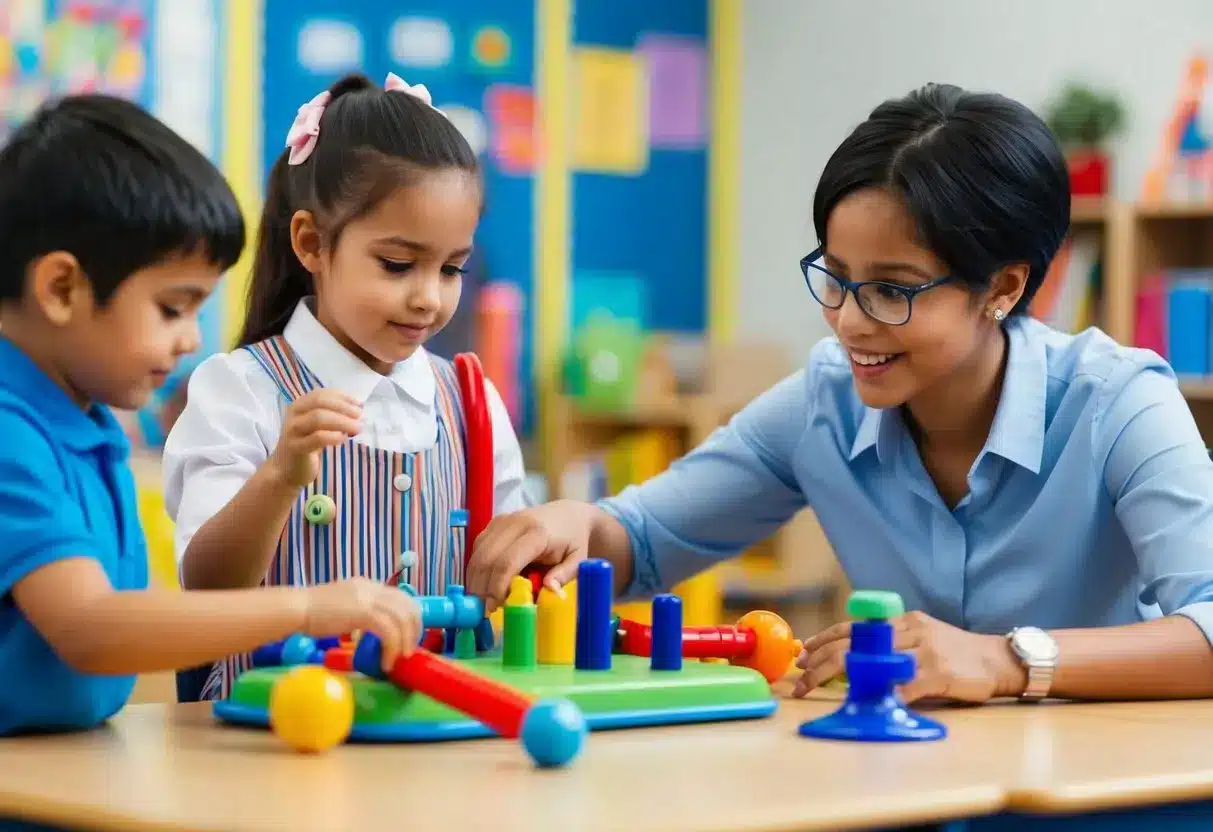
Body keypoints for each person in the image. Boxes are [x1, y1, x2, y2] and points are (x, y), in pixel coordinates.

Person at [467, 83, 1213, 705]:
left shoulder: (1116, 403)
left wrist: (1003, 661)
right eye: (837, 277)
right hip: (917, 780)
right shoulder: (823, 402)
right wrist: (573, 524)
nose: (849, 321)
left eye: (891, 289)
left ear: (1003, 287)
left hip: (1110, 789)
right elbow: (643, 541)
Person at [0, 94, 420, 735]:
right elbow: (89, 629)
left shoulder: (79, 420)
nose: (192, 338)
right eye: (173, 307)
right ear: (61, 288)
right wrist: (306, 607)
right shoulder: (10, 431)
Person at [162, 72, 529, 700]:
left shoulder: (469, 402)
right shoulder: (242, 389)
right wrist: (280, 474)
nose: (428, 297)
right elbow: (209, 587)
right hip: (273, 736)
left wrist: (528, 551)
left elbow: (504, 569)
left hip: (438, 734)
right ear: (311, 243)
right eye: (396, 264)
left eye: (451, 269)